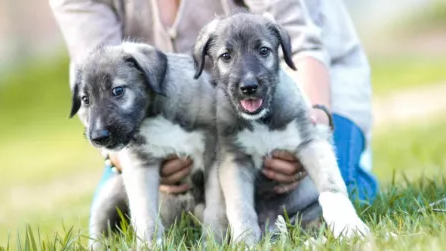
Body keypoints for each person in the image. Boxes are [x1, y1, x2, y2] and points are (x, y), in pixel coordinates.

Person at [50, 0, 378, 231]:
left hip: (313, 90)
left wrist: (312, 126)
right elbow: (95, 76)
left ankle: (350, 167)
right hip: (166, 128)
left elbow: (300, 41)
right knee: (118, 214)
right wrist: (124, 158)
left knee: (313, 200)